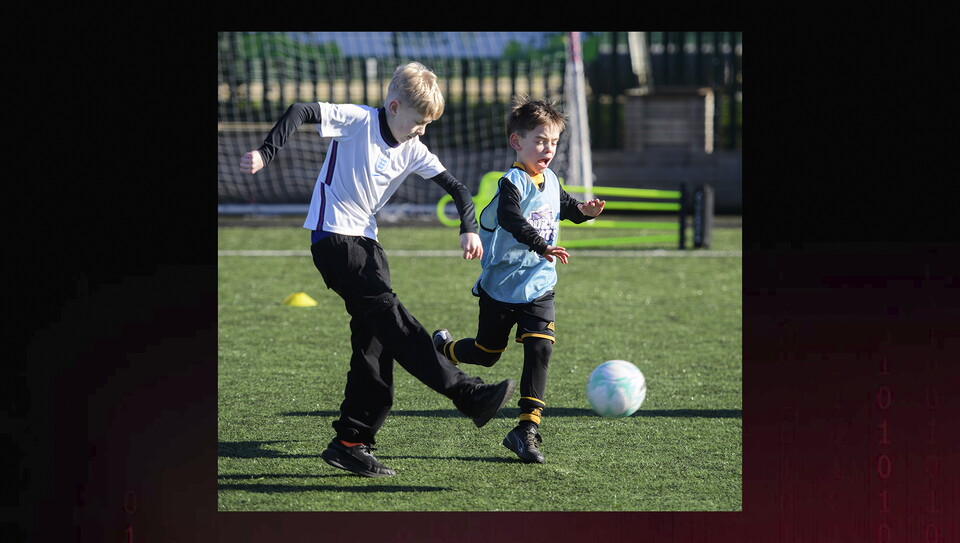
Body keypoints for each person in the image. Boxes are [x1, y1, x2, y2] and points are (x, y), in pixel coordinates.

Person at [239, 62, 516, 478]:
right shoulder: (358, 121)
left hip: (369, 246)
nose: (421, 131)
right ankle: (467, 393)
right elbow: (300, 110)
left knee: (376, 341)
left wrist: (468, 228)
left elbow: (458, 189)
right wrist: (266, 152)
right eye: (418, 122)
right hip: (335, 239)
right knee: (395, 321)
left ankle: (351, 441)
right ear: (394, 107)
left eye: (428, 124)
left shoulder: (413, 147)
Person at [432, 97, 605, 464]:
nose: (548, 149)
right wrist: (542, 245)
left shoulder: (551, 179)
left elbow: (565, 207)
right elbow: (511, 219)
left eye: (554, 142)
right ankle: (444, 349)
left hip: (539, 284)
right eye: (540, 141)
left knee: (541, 348)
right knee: (486, 354)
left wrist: (584, 212)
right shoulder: (512, 182)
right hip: (501, 287)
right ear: (517, 141)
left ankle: (526, 430)